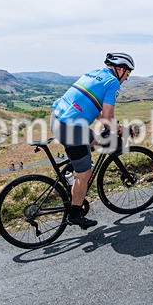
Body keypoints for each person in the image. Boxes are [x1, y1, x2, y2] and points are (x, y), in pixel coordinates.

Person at [50, 52, 134, 229]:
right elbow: (108, 115)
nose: (127, 78)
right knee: (84, 174)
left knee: (93, 141)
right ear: (119, 69)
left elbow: (95, 108)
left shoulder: (95, 73)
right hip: (71, 128)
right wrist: (119, 129)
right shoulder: (112, 83)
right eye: (128, 73)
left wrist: (109, 125)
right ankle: (74, 214)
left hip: (58, 118)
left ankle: (71, 168)